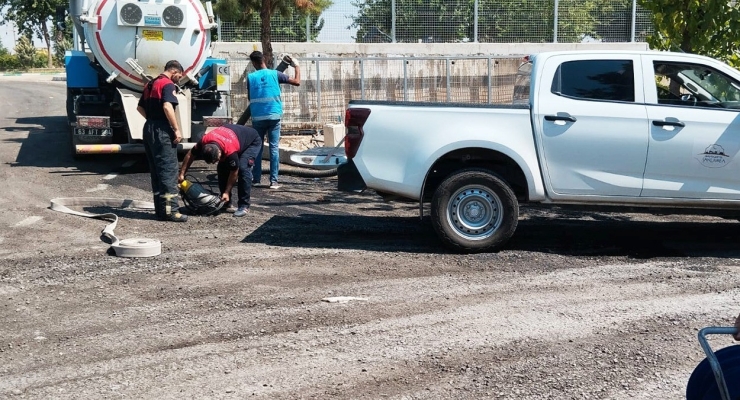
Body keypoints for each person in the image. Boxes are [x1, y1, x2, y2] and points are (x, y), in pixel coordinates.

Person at [137, 60, 188, 222]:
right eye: (179, 76)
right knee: (168, 169)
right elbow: (167, 106)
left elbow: (139, 108)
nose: (179, 79)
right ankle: (170, 211)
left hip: (149, 128)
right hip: (162, 130)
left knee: (156, 171)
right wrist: (175, 128)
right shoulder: (167, 85)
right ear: (174, 72)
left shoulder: (150, 84)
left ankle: (160, 210)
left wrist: (152, 121)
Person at [178, 124, 262, 217]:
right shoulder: (204, 141)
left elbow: (234, 172)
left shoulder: (230, 150)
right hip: (233, 136)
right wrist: (182, 173)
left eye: (217, 160)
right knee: (221, 168)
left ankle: (244, 205)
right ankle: (226, 202)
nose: (215, 163)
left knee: (243, 169)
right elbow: (190, 155)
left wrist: (227, 191)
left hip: (251, 141)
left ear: (219, 152)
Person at [247, 50, 301, 189]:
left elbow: (250, 97)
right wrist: (296, 66)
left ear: (253, 63)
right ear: (264, 59)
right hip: (274, 116)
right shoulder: (275, 74)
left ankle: (256, 179)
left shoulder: (250, 77)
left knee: (257, 148)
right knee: (274, 148)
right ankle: (274, 181)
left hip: (258, 117)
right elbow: (296, 82)